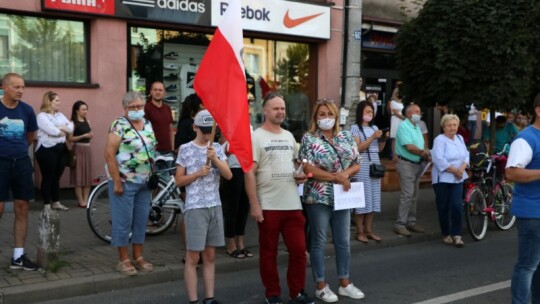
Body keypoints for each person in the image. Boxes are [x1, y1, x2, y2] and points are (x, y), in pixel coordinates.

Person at [245, 93, 314, 304]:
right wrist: (254, 205)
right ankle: (272, 294)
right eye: (276, 108)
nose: (280, 112)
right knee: (268, 253)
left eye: (282, 108)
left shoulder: (288, 136)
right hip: (268, 206)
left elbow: (296, 165)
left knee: (299, 251)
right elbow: (249, 172)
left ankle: (297, 292)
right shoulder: (256, 136)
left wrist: (300, 175)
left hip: (292, 204)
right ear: (265, 110)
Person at [299, 99, 364, 303]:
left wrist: (343, 174)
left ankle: (344, 283)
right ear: (315, 117)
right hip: (318, 195)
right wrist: (336, 177)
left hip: (343, 196)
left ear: (336, 116)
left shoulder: (345, 136)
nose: (326, 118)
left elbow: (357, 163)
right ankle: (320, 285)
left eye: (329, 114)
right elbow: (308, 168)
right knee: (318, 241)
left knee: (343, 241)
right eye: (321, 114)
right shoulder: (309, 138)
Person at [175, 110, 232, 304]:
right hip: (195, 207)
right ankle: (193, 300)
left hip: (214, 205)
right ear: (195, 127)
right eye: (204, 130)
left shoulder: (216, 147)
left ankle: (209, 298)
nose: (208, 134)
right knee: (193, 257)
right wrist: (197, 174)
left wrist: (215, 158)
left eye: (210, 130)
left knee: (210, 255)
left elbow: (229, 175)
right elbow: (178, 180)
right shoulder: (185, 149)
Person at [104, 91, 156, 276]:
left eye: (139, 106)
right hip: (125, 181)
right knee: (123, 221)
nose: (136, 110)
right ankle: (123, 259)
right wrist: (117, 182)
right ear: (125, 108)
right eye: (132, 107)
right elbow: (109, 154)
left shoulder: (147, 124)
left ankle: (138, 256)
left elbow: (150, 149)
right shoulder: (118, 125)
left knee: (142, 220)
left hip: (144, 182)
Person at [0, 73, 39, 270]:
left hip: (21, 163)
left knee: (22, 207)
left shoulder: (27, 110)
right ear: (5, 87)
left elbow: (31, 135)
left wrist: (19, 149)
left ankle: (18, 257)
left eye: (23, 87)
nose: (21, 91)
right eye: (16, 87)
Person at [505, 94, 540, 304]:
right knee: (527, 265)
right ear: (538, 110)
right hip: (532, 212)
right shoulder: (526, 138)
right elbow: (511, 173)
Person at [350, 100, 387, 243]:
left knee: (373, 198)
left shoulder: (375, 127)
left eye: (371, 112)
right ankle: (359, 231)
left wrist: (384, 138)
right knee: (362, 199)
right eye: (367, 112)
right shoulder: (354, 128)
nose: (369, 114)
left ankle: (369, 230)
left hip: (374, 165)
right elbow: (358, 148)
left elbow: (379, 149)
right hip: (362, 165)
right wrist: (373, 137)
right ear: (360, 113)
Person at [430, 114, 469, 247]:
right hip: (443, 178)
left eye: (454, 125)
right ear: (444, 127)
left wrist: (462, 169)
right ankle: (446, 233)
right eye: (449, 125)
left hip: (458, 178)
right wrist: (456, 171)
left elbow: (466, 155)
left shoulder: (460, 138)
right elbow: (439, 159)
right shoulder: (439, 140)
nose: (452, 128)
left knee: (457, 205)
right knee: (444, 206)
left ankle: (457, 234)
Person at [394, 103, 430, 237]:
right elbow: (409, 147)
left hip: (417, 164)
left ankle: (411, 222)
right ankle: (400, 224)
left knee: (414, 195)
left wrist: (425, 150)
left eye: (419, 112)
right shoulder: (404, 126)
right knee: (407, 194)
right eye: (417, 112)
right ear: (409, 114)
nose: (419, 114)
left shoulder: (416, 127)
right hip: (406, 164)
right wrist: (424, 153)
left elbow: (420, 144)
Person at [35, 91, 73, 211]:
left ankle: (56, 202)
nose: (59, 103)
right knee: (48, 177)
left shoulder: (60, 115)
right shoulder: (41, 116)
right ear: (49, 102)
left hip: (61, 150)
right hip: (46, 150)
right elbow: (53, 132)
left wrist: (61, 128)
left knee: (56, 177)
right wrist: (61, 129)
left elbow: (71, 127)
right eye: (56, 100)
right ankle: (46, 204)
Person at [221, 138, 253, 259]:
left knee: (244, 207)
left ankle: (240, 243)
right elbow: (222, 148)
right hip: (233, 168)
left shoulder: (250, 129)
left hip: (247, 168)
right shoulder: (230, 126)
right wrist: (227, 148)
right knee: (232, 207)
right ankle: (231, 244)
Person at [68, 100, 93, 208]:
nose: (85, 111)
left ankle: (86, 201)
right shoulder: (72, 123)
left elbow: (91, 133)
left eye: (86, 109)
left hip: (88, 149)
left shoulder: (88, 121)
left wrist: (90, 135)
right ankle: (81, 201)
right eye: (83, 109)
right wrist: (83, 136)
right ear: (77, 111)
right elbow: (70, 138)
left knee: (87, 176)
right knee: (78, 175)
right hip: (78, 149)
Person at [144, 81, 174, 167]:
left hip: (168, 152)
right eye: (155, 90)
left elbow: (171, 130)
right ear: (151, 92)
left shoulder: (167, 108)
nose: (158, 92)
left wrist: (172, 149)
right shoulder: (146, 108)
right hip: (153, 151)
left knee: (167, 178)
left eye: (160, 90)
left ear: (164, 93)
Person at [389, 87, 404, 160]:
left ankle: (399, 153)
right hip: (395, 119)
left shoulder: (401, 101)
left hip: (400, 119)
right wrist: (405, 118)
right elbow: (396, 113)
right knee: (395, 137)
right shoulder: (392, 102)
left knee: (400, 137)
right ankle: (394, 155)